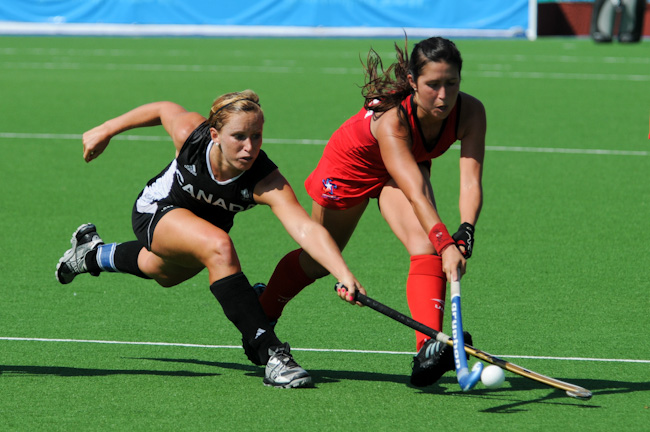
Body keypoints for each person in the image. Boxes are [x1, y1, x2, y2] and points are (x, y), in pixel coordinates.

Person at [55, 90, 365, 388]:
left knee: (160, 271)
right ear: (215, 135)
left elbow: (306, 229)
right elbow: (163, 108)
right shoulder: (191, 134)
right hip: (156, 210)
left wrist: (344, 275)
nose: (249, 147)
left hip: (197, 229)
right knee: (218, 246)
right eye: (239, 137)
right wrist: (106, 129)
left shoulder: (265, 180)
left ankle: (90, 253)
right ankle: (270, 352)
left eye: (256, 136)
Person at [253, 37, 486, 387]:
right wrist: (445, 242)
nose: (442, 96)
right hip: (352, 166)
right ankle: (263, 311)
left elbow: (470, 181)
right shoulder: (392, 120)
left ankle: (427, 350)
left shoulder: (470, 112)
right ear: (412, 82)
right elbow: (416, 192)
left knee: (424, 247)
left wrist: (464, 233)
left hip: (402, 166)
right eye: (432, 85)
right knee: (318, 259)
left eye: (451, 84)